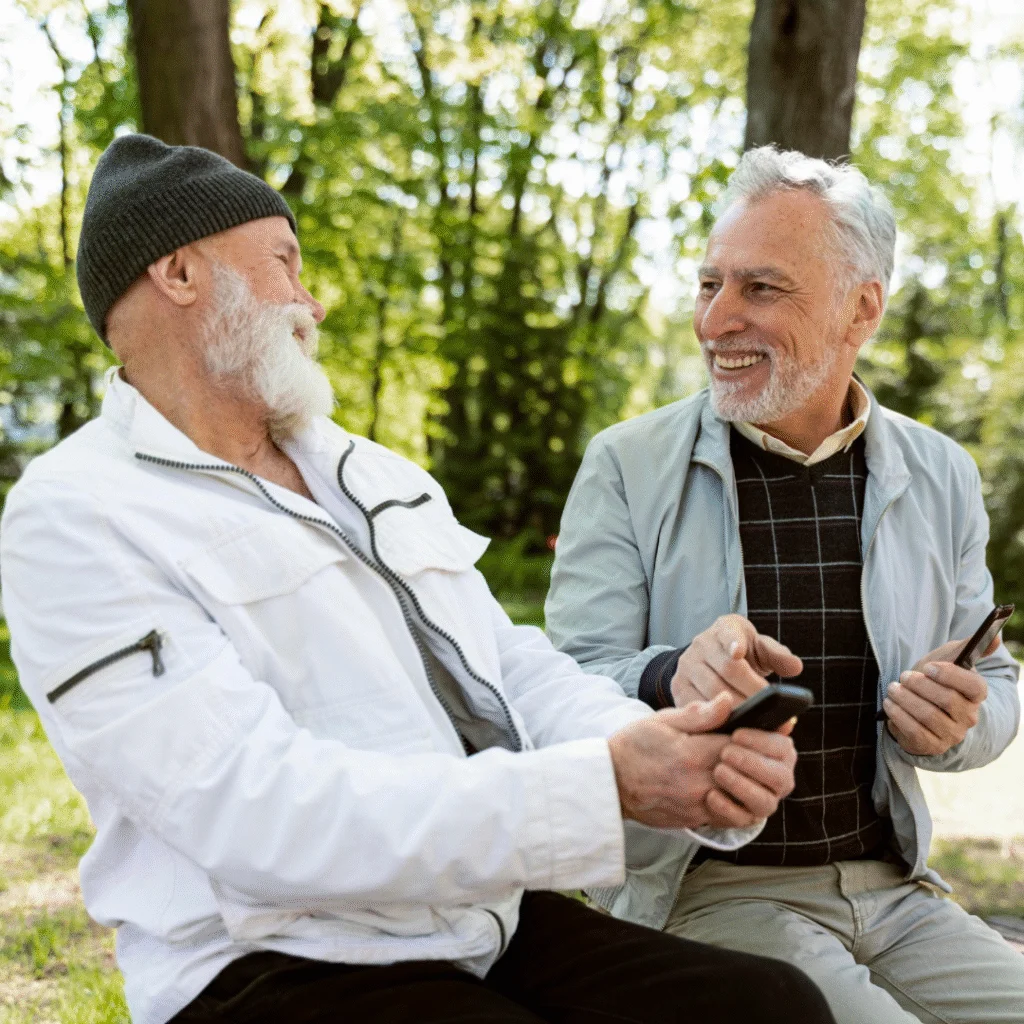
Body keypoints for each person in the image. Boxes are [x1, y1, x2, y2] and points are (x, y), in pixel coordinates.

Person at [0, 135, 835, 1024]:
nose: (309, 301)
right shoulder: (78, 513)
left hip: (479, 921)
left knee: (771, 1005)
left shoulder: (370, 473)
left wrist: (668, 745)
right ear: (178, 272)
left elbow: (507, 666)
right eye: (284, 263)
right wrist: (603, 785)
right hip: (271, 962)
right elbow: (253, 811)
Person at [546, 146, 1024, 1024]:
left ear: (861, 310)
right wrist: (667, 674)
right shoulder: (626, 465)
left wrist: (955, 727)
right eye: (708, 285)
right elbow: (563, 679)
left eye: (760, 289)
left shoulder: (943, 474)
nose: (715, 321)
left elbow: (993, 684)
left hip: (898, 891)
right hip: (715, 890)